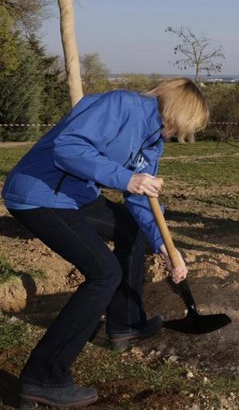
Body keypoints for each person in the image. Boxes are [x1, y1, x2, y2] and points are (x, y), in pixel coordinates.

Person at [1, 78, 208, 408]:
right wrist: (127, 178)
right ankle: (44, 375)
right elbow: (67, 148)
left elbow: (142, 199)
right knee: (104, 274)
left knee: (134, 229)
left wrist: (165, 247)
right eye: (183, 126)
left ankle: (125, 323)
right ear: (175, 110)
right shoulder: (121, 106)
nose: (178, 135)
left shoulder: (153, 140)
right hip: (39, 193)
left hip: (75, 195)